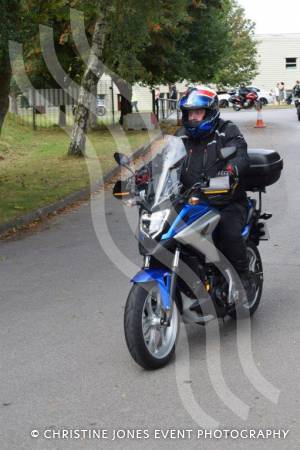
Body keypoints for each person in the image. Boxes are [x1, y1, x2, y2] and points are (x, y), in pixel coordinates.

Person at [177, 86, 254, 300]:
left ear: (210, 112)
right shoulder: (182, 136)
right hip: (191, 199)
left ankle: (243, 277)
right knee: (167, 233)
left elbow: (240, 153)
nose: (192, 118)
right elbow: (163, 157)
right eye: (189, 113)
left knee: (228, 233)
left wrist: (231, 169)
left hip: (225, 199)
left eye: (197, 113)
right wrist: (145, 174)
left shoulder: (226, 130)